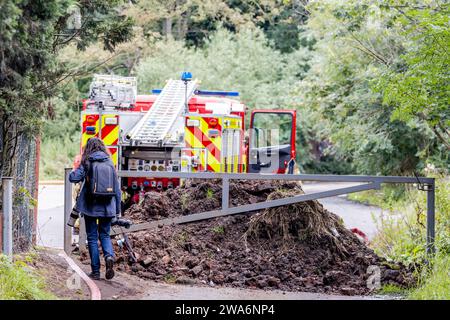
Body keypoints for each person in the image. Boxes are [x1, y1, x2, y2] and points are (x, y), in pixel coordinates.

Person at [69, 137, 121, 280]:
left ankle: (96, 271)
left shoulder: (87, 162)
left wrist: (74, 170)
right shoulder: (110, 162)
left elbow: (73, 178)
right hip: (108, 207)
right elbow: (117, 190)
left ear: (88, 149)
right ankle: (109, 256)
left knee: (92, 238)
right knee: (104, 235)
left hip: (91, 206)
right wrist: (117, 212)